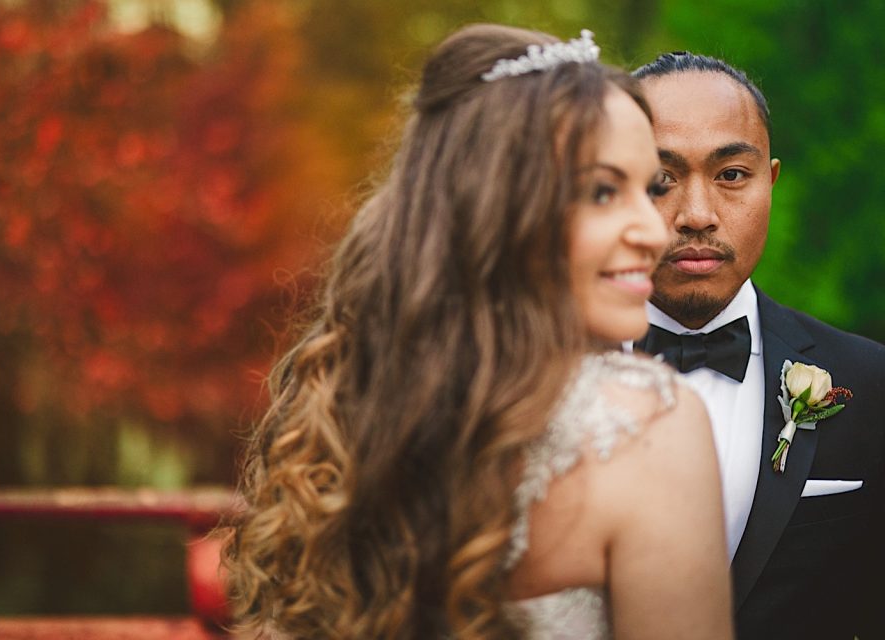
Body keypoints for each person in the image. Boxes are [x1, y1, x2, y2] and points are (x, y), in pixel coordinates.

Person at [223, 26, 733, 639]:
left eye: (648, 189)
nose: (655, 231)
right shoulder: (652, 424)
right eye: (603, 192)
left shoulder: (342, 403)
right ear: (497, 207)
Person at [631, 52, 885, 640]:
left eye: (731, 176)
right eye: (658, 181)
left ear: (770, 182)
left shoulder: (871, 383)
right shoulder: (535, 384)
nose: (697, 215)